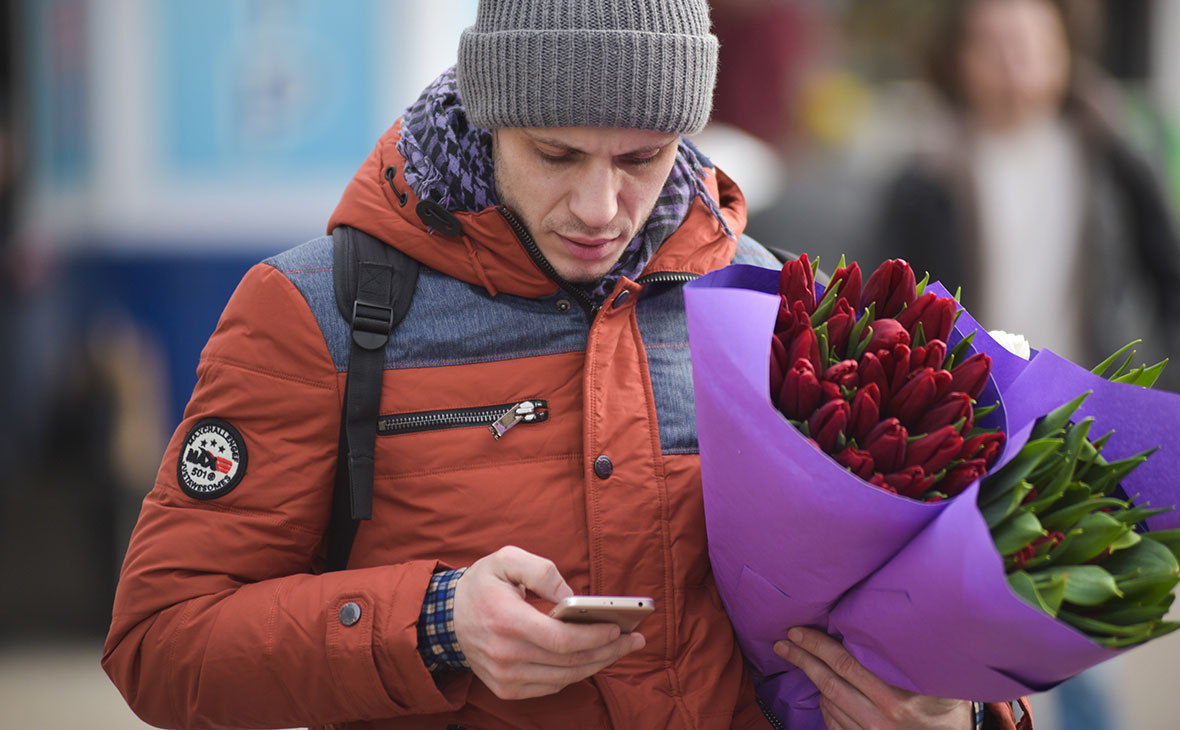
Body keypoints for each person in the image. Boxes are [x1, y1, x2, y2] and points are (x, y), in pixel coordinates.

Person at [102, 2, 984, 728]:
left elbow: (911, 613)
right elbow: (161, 643)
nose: (601, 208)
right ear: (488, 120)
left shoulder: (772, 308)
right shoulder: (317, 314)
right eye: (555, 154)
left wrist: (956, 713)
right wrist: (434, 624)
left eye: (641, 159)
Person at [876, 0, 1180, 389]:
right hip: (972, 405)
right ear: (958, 58)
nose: (1012, 61)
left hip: (1092, 407)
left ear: (1064, 48)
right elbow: (891, 302)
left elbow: (1170, 277)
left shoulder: (1114, 158)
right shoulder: (927, 179)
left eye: (1029, 41)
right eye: (993, 44)